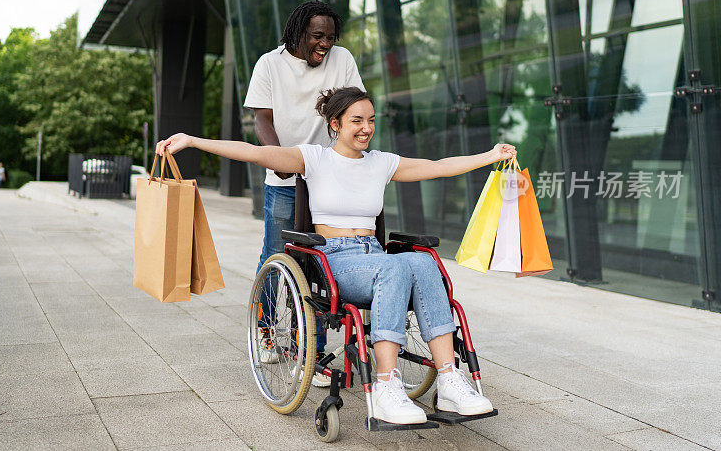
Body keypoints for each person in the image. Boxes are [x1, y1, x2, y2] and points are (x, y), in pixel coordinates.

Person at [156, 87, 516, 425]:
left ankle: (450, 381)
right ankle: (387, 385)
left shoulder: (381, 163)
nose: (366, 128)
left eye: (371, 120)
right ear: (335, 124)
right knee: (394, 268)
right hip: (335, 259)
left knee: (422, 261)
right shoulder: (313, 158)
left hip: (373, 254)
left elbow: (437, 166)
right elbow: (253, 151)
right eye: (357, 120)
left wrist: (490, 156)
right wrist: (191, 141)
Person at [244, 0, 365, 387]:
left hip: (325, 180)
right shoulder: (269, 64)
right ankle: (265, 332)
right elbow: (261, 117)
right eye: (317, 36)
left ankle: (307, 349)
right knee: (277, 257)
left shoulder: (341, 59)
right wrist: (278, 157)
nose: (325, 44)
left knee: (319, 265)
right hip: (283, 182)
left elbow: (352, 109)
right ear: (298, 32)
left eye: (330, 36)